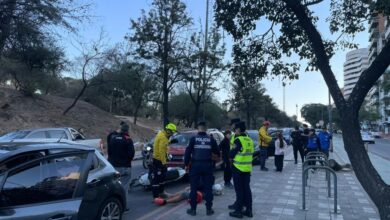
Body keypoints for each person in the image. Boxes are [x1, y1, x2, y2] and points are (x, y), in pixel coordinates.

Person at [184, 121, 220, 216]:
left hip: (195, 165)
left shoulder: (193, 139)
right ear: (206, 129)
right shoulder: (211, 139)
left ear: (198, 128)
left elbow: (187, 153)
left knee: (193, 188)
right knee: (208, 188)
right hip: (207, 166)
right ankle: (209, 209)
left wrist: (186, 164)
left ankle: (193, 210)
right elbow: (217, 152)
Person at [229, 121, 254, 218]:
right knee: (247, 190)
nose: (234, 131)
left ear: (238, 129)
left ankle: (238, 211)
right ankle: (249, 210)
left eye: (235, 130)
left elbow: (231, 154)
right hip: (247, 169)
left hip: (238, 168)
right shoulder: (249, 140)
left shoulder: (238, 140)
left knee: (239, 190)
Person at [107, 123, 135, 210]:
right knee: (124, 187)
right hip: (125, 167)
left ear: (120, 129)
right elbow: (131, 154)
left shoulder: (112, 138)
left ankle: (111, 204)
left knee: (112, 187)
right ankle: (123, 206)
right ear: (127, 130)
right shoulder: (128, 139)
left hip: (113, 167)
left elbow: (109, 150)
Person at [151, 123, 177, 199]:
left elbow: (164, 145)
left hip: (158, 160)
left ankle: (161, 192)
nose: (172, 134)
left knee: (162, 177)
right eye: (172, 132)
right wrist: (164, 163)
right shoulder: (163, 137)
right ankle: (156, 196)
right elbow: (161, 152)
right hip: (159, 160)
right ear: (168, 131)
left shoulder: (162, 134)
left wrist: (170, 142)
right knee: (157, 178)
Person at [153, 184, 223, 206]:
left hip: (196, 196)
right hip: (196, 193)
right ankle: (170, 196)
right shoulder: (208, 188)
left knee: (183, 194)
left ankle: (165, 201)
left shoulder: (208, 193)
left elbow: (201, 193)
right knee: (183, 191)